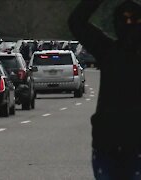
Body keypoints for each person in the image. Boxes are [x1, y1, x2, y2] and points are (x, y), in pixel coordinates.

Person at [68, 0, 141, 179]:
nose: (129, 25)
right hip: (108, 145)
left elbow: (77, 22)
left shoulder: (107, 51)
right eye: (125, 20)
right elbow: (76, 22)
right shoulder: (109, 51)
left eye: (135, 21)